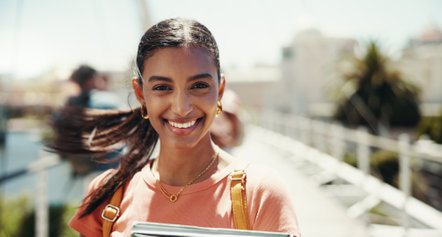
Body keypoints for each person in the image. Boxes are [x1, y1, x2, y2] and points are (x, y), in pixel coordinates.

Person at [49, 18, 300, 236]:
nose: (181, 107)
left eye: (199, 85)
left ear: (220, 89)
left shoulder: (260, 193)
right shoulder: (107, 193)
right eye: (162, 87)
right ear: (140, 94)